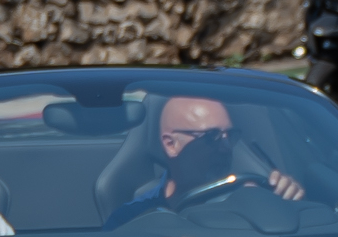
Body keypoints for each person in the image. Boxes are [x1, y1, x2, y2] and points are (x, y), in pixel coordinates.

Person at [100, 96, 305, 229]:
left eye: (229, 135)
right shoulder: (130, 219)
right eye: (211, 137)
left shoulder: (254, 197)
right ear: (171, 144)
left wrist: (282, 203)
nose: (226, 147)